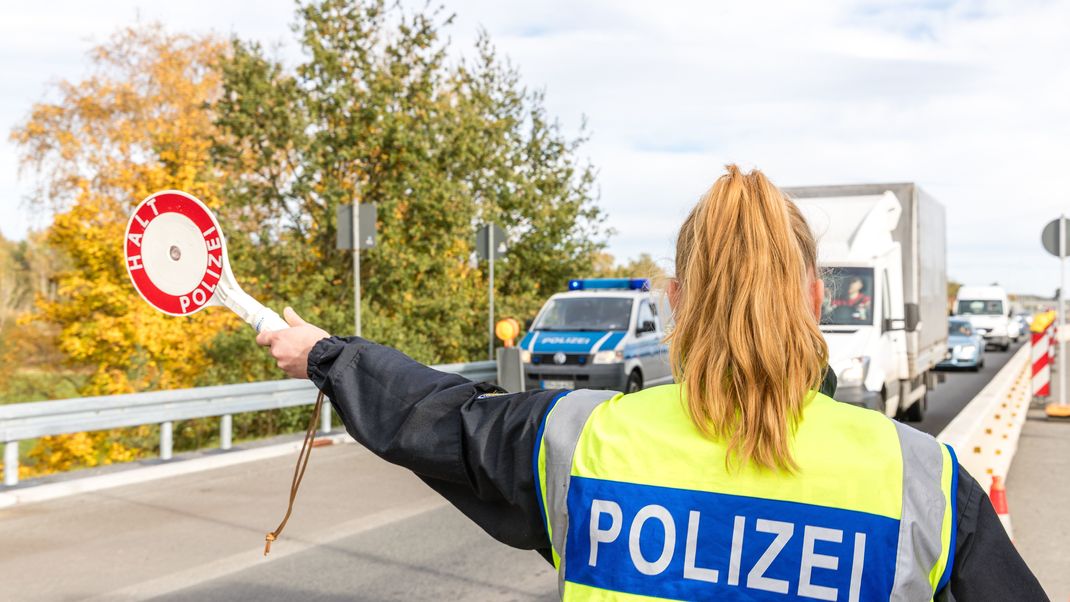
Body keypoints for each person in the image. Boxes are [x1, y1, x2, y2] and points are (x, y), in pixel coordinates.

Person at [258, 166, 1045, 600]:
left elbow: (434, 417)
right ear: (813, 296)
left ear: (675, 301)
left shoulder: (582, 438)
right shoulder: (921, 482)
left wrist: (324, 353)